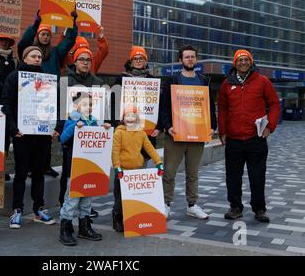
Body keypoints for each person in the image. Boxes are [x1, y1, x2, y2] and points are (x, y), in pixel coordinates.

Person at [218, 49, 280, 223]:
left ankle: (259, 209)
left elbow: (274, 104)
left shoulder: (262, 82)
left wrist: (270, 126)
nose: (243, 63)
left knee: (257, 175)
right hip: (234, 140)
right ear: (234, 64)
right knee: (233, 176)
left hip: (256, 139)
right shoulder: (226, 84)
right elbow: (222, 109)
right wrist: (222, 132)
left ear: (251, 62)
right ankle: (235, 207)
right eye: (240, 60)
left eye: (246, 60)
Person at [17, 10, 79, 178]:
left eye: (48, 34)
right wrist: (36, 23)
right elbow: (22, 43)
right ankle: (30, 166)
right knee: (31, 134)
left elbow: (69, 41)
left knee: (47, 134)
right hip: (30, 100)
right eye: (42, 34)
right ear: (37, 35)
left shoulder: (55, 53)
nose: (45, 37)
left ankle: (46, 165)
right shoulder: (31, 52)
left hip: (49, 98)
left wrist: (73, 22)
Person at [1, 46, 57, 228]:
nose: (37, 58)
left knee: (39, 173)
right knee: (21, 173)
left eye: (40, 56)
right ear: (25, 58)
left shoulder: (47, 79)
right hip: (22, 134)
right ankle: (17, 209)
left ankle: (39, 209)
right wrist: (12, 128)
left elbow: (53, 104)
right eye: (33, 56)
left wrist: (54, 126)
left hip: (42, 134)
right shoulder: (14, 77)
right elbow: (6, 103)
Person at [160, 44, 217, 220]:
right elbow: (163, 108)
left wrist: (212, 127)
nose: (190, 59)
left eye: (193, 57)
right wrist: (167, 126)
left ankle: (192, 205)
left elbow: (209, 107)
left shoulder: (203, 80)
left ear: (196, 59)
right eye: (187, 57)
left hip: (197, 134)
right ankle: (165, 204)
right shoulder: (172, 80)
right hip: (175, 133)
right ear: (180, 60)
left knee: (193, 173)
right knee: (169, 171)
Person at [55, 48, 105, 213]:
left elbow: (102, 109)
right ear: (75, 62)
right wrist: (59, 128)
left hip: (91, 135)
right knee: (69, 171)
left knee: (88, 170)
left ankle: (85, 207)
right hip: (71, 134)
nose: (85, 62)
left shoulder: (97, 82)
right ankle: (65, 202)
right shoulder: (65, 81)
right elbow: (60, 106)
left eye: (88, 60)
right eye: (81, 59)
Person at [58, 92, 111, 246]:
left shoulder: (93, 122)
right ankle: (65, 228)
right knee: (72, 199)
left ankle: (84, 226)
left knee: (87, 198)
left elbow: (100, 137)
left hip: (90, 168)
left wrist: (105, 128)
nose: (89, 107)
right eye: (85, 104)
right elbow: (62, 138)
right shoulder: (73, 120)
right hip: (75, 168)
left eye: (90, 104)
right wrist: (75, 127)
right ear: (77, 106)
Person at [111, 105, 164, 232]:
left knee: (135, 197)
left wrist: (158, 162)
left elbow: (150, 148)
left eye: (133, 116)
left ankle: (133, 219)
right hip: (122, 172)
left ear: (137, 118)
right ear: (123, 118)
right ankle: (117, 218)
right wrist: (117, 168)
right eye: (127, 116)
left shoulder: (141, 133)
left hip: (137, 170)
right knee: (119, 198)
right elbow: (115, 152)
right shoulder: (119, 133)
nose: (130, 118)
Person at [112, 46, 164, 147]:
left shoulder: (152, 80)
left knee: (143, 159)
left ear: (145, 61)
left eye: (141, 58)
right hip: (125, 128)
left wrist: (159, 127)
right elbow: (113, 103)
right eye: (135, 58)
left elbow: (159, 106)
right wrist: (116, 124)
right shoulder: (121, 79)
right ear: (131, 62)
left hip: (147, 131)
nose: (138, 61)